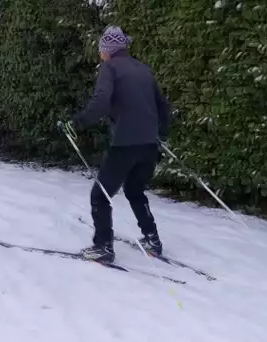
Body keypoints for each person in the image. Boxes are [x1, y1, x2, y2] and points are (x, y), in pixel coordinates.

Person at [67, 25, 172, 263]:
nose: (99, 53)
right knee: (134, 190)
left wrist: (77, 123)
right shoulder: (143, 69)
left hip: (124, 143)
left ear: (109, 49)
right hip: (148, 144)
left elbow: (101, 101)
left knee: (100, 194)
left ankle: (103, 247)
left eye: (101, 49)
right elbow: (164, 106)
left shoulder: (110, 68)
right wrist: (161, 135)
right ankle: (152, 239)